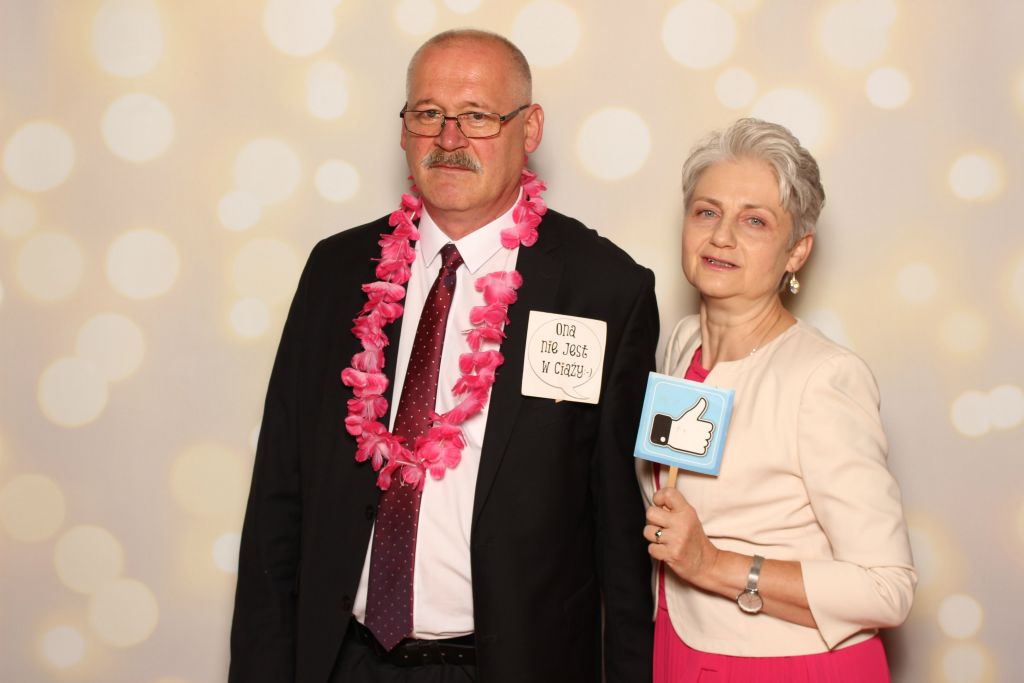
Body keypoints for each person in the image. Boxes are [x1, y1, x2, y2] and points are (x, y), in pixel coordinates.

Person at [229, 29, 657, 683]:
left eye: (478, 116)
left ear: (530, 127)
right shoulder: (337, 271)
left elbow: (621, 540)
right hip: (343, 661)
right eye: (428, 113)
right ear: (404, 129)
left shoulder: (602, 291)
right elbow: (276, 500)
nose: (449, 139)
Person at [638, 118, 916, 681]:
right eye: (706, 212)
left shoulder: (824, 378)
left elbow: (888, 588)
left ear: (797, 252)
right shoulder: (682, 343)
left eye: (755, 221)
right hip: (678, 646)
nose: (721, 237)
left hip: (785, 665)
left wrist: (713, 564)